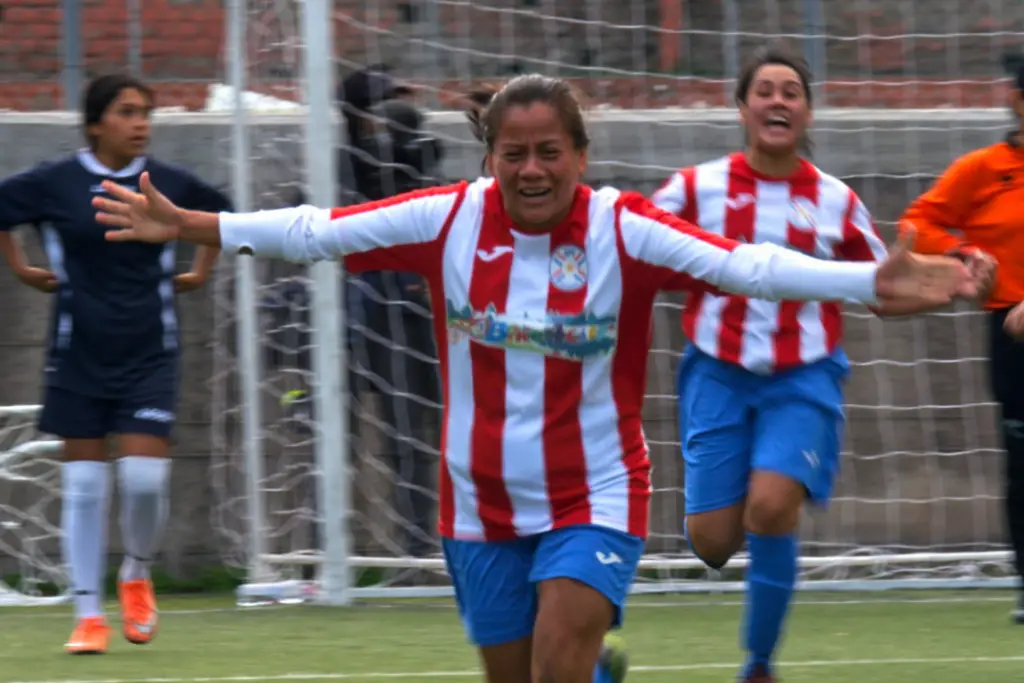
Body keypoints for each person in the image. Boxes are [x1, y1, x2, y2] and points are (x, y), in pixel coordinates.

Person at [93, 73, 972, 683]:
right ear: (489, 159)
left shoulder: (623, 229)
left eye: (550, 151)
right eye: (512, 153)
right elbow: (318, 230)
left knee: (559, 654)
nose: (532, 169)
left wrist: (868, 281)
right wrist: (192, 224)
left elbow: (747, 265)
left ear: (580, 155)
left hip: (596, 490)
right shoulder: (447, 220)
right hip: (477, 503)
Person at [650, 46, 997, 682]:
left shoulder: (835, 201)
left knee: (772, 507)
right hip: (716, 372)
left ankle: (758, 665)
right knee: (713, 543)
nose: (778, 101)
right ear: (742, 107)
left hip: (802, 377)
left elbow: (885, 284)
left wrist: (954, 277)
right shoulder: (695, 188)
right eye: (765, 90)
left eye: (792, 92)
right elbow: (634, 239)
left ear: (808, 113)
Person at [0, 74, 232, 654]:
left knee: (143, 480)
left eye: (146, 112)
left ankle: (135, 571)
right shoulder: (55, 182)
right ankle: (87, 616)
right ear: (96, 122)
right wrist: (22, 267)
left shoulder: (167, 183)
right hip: (77, 354)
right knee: (82, 484)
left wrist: (201, 270)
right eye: (128, 112)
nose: (141, 123)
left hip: (150, 354)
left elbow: (222, 215)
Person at [899, 54, 1024, 623]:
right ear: (1016, 100)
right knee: (1022, 465)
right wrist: (964, 256)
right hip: (1012, 338)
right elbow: (916, 223)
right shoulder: (985, 168)